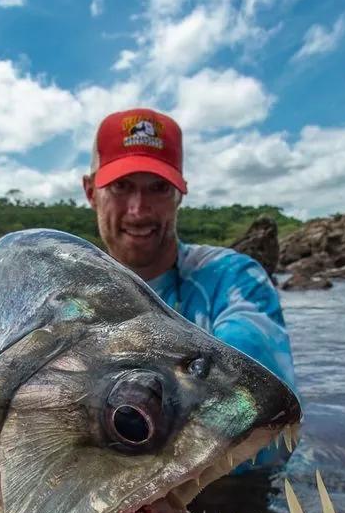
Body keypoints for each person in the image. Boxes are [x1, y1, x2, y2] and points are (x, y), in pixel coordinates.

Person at [83, 108, 296, 403]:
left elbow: (253, 388)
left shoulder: (234, 278)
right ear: (91, 191)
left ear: (179, 196)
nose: (138, 209)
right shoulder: (71, 298)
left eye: (158, 188)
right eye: (121, 186)